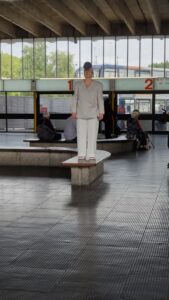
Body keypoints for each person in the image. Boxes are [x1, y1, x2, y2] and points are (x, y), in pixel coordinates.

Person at [71, 61, 104, 161]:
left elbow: (100, 99)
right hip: (80, 114)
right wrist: (73, 111)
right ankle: (81, 153)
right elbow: (74, 98)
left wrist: (101, 112)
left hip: (94, 114)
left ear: (92, 72)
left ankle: (91, 154)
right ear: (84, 72)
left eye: (89, 70)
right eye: (85, 70)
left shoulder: (99, 85)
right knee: (81, 135)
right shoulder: (77, 84)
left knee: (92, 135)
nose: (87, 72)